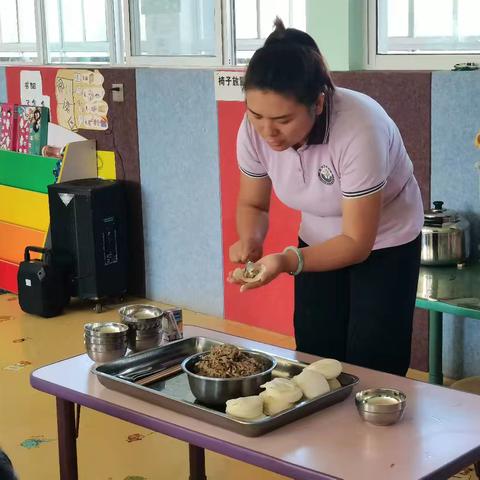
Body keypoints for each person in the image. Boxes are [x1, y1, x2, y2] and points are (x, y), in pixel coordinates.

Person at [228, 18, 424, 376]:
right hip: (317, 238)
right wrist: (251, 240)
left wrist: (286, 261)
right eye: (256, 115)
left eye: (283, 120)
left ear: (318, 103)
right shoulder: (254, 130)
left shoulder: (360, 127)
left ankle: (373, 432)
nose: (268, 131)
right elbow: (253, 203)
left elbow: (355, 242)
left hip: (383, 240)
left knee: (373, 359)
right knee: (315, 353)